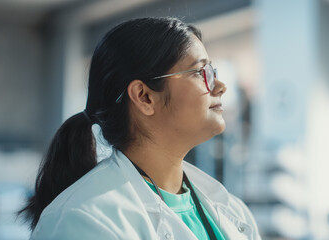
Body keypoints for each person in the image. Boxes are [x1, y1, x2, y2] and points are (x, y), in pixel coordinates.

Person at [19, 17, 261, 240]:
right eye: (201, 72)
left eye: (213, 72)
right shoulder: (84, 219)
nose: (220, 86)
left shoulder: (232, 210)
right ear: (144, 97)